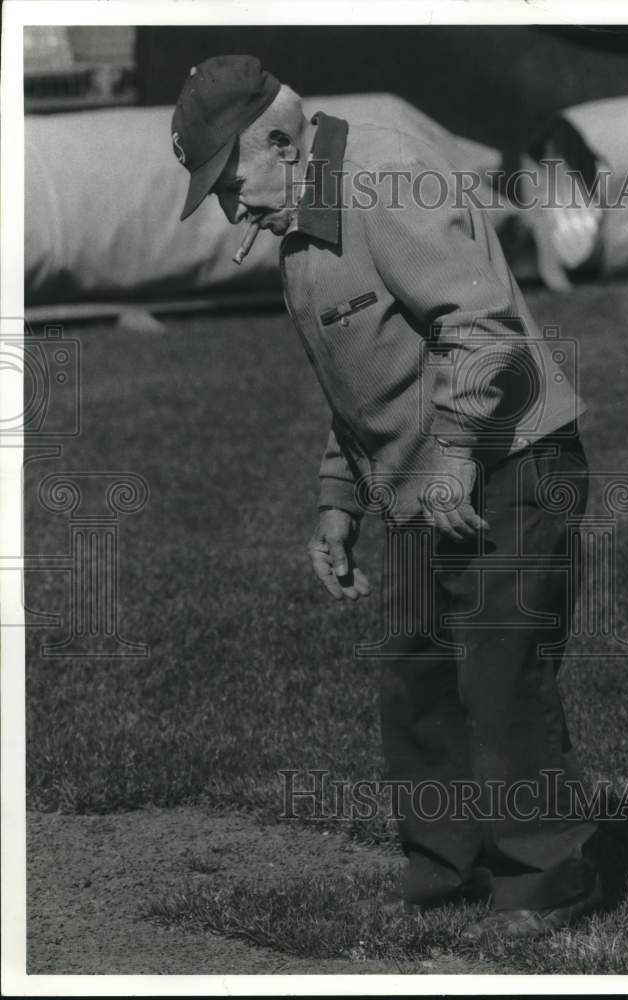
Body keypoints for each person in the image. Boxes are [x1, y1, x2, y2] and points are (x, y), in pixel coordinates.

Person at [172, 54, 602, 940]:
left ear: (280, 141)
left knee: (499, 674)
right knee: (415, 676)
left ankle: (546, 882)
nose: (230, 209)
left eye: (228, 180)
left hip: (510, 457)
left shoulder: (384, 177)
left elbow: (480, 329)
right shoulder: (300, 218)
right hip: (425, 474)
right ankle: (446, 864)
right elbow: (359, 382)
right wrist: (339, 502)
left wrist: (451, 459)